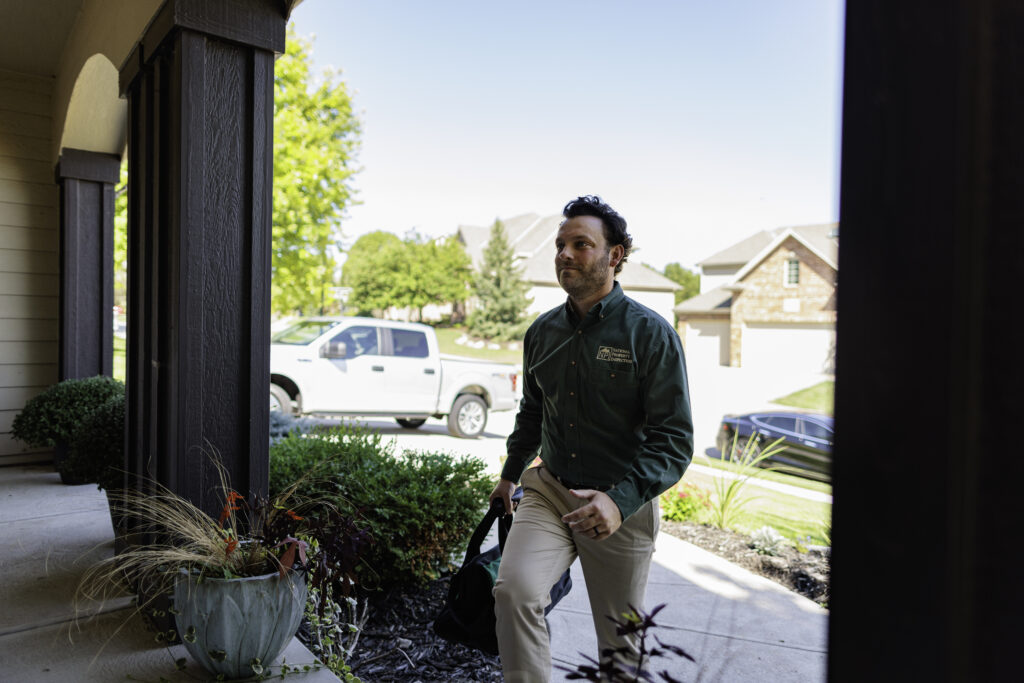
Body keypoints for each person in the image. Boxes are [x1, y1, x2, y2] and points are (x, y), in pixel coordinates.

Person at [490, 195, 693, 681]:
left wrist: (619, 502)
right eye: (560, 244)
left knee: (621, 645)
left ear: (614, 255)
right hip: (550, 491)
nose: (564, 253)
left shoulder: (650, 334)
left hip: (620, 504)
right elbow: (533, 412)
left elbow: (673, 438)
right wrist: (509, 476)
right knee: (513, 593)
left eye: (581, 244)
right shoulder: (542, 332)